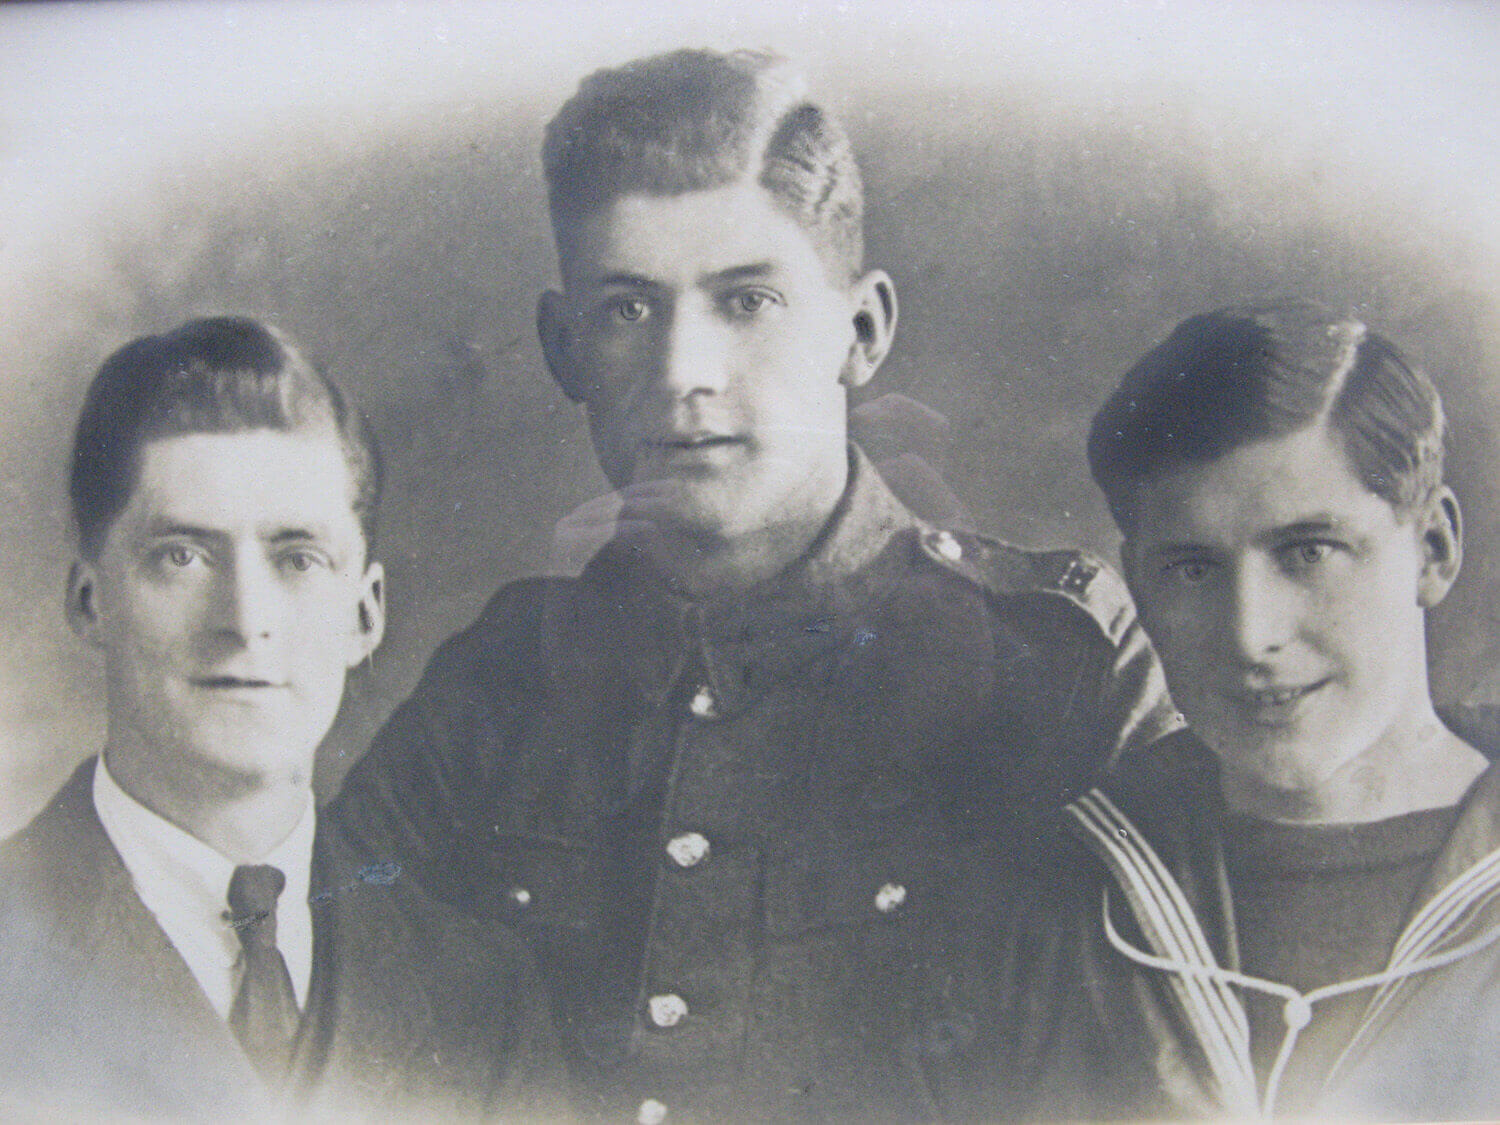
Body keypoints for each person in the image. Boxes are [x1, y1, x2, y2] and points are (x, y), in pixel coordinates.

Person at [333, 49, 1176, 1122]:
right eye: (627, 311)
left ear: (860, 332)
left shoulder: (1058, 666)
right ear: (562, 350)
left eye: (746, 300)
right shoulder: (493, 692)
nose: (686, 368)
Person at [0, 317, 564, 1119]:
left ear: (365, 615)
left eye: (297, 558)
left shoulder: (482, 996)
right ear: (90, 601)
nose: (245, 618)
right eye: (182, 556)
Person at [982, 303, 1500, 1120]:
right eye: (1192, 569)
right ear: (1140, 579)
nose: (1251, 634)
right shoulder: (1058, 905)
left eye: (1307, 554)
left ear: (1432, 548)